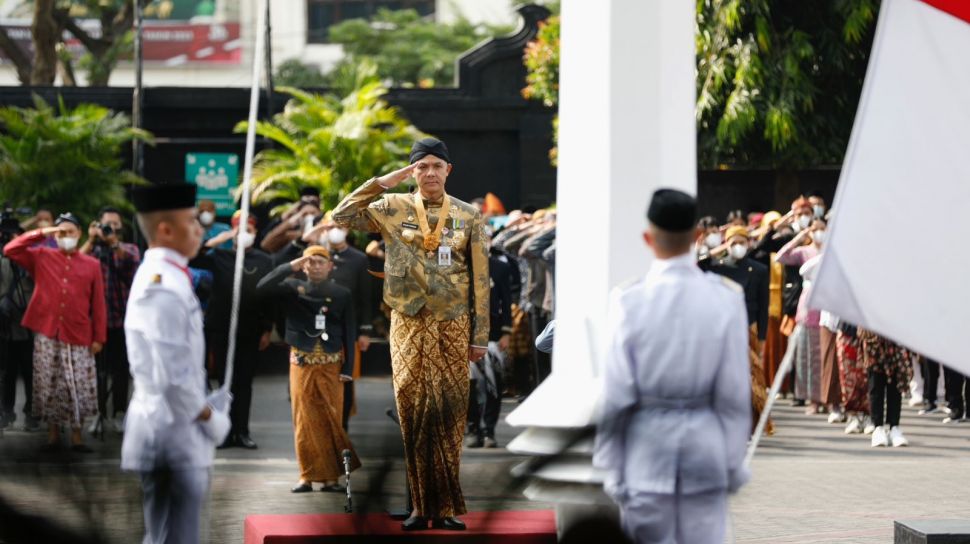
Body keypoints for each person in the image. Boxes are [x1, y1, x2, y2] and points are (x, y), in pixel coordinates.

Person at [333, 137, 489, 531]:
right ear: (412, 171)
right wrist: (384, 181)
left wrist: (480, 335)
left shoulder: (469, 215)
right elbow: (341, 215)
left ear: (448, 170)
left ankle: (448, 505)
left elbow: (481, 279)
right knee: (413, 408)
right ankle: (421, 506)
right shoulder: (393, 207)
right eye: (422, 166)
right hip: (407, 321)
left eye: (437, 165)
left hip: (453, 323)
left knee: (450, 411)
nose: (430, 173)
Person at [594, 188, 750, 544]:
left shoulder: (629, 301)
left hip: (645, 454)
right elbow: (733, 394)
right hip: (705, 451)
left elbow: (616, 393)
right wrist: (731, 462)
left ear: (648, 238)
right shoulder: (725, 299)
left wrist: (612, 466)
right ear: (697, 237)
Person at [123, 183, 231, 544]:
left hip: (175, 428)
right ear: (166, 229)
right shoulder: (162, 285)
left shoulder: (171, 276)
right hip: (170, 432)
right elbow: (171, 377)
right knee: (172, 538)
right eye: (192, 221)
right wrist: (209, 418)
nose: (200, 229)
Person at [256, 245, 361, 493]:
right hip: (302, 362)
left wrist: (348, 368)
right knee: (303, 420)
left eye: (320, 262)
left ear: (330, 266)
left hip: (331, 364)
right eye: (310, 262)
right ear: (303, 265)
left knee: (331, 419)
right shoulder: (292, 289)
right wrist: (290, 266)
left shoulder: (342, 293)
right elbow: (262, 287)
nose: (315, 266)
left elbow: (350, 332)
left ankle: (331, 478)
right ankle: (306, 475)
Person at [3, 212, 106, 452]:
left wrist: (99, 337)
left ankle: (77, 436)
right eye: (61, 233)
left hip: (79, 334)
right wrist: (44, 232)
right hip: (49, 333)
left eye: (71, 232)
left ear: (79, 234)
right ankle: (53, 435)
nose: (66, 236)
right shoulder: (42, 256)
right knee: (50, 383)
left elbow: (98, 304)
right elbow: (10, 249)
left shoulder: (91, 265)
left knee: (77, 385)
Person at [193, 211, 275, 449]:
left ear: (255, 233)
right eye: (239, 231)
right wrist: (219, 240)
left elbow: (268, 296)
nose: (244, 235)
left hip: (250, 330)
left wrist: (267, 329)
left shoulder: (263, 260)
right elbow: (194, 257)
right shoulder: (220, 256)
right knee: (224, 381)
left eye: (248, 231)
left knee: (245, 382)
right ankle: (225, 430)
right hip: (221, 329)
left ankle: (242, 431)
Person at [301, 216, 375, 430]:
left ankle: (342, 427)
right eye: (331, 227)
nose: (335, 231)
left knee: (345, 377)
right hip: (316, 328)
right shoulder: (317, 255)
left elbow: (365, 297)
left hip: (347, 328)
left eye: (340, 227)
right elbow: (304, 242)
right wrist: (321, 229)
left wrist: (365, 331)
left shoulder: (358, 259)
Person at [703, 225, 771, 434]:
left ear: (749, 244)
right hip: (723, 329)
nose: (738, 247)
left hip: (748, 329)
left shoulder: (759, 270)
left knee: (750, 380)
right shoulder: (718, 266)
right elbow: (697, 265)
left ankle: (751, 424)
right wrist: (716, 250)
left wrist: (761, 337)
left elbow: (763, 306)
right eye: (734, 243)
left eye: (742, 242)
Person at [80, 207, 141, 433]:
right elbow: (76, 261)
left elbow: (130, 264)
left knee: (120, 369)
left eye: (115, 224)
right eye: (107, 224)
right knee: (95, 370)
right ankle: (97, 413)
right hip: (95, 322)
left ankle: (119, 412)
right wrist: (91, 239)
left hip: (121, 319)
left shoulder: (129, 249)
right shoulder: (93, 250)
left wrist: (113, 242)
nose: (111, 228)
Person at [466, 244, 514, 448]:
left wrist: (506, 333)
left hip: (492, 334)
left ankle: (489, 431)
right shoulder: (459, 267)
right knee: (469, 386)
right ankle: (473, 429)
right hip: (464, 334)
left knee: (493, 386)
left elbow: (507, 299)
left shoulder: (499, 268)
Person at [0, 215, 36, 431]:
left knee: (31, 372)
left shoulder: (29, 259)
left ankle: (31, 413)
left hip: (29, 323)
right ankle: (6, 412)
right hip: (5, 325)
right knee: (6, 372)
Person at [857, 329, 911, 447]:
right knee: (875, 384)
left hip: (895, 336)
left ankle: (894, 427)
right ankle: (878, 427)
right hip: (873, 337)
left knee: (895, 385)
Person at [260, 188, 321, 254]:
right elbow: (265, 245)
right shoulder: (292, 235)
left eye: (312, 213)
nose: (309, 217)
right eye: (305, 214)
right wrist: (289, 222)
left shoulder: (324, 231)